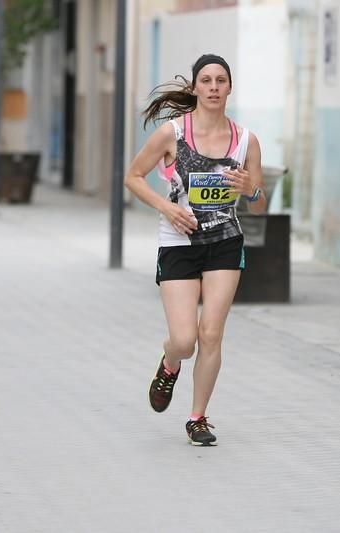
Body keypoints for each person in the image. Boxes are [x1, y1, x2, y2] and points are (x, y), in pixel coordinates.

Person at [124, 54, 267, 446]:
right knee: (185, 340)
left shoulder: (246, 140)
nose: (214, 87)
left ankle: (198, 417)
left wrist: (249, 190)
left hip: (224, 243)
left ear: (230, 88)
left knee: (212, 333)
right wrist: (167, 207)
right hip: (179, 245)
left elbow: (259, 201)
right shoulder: (172, 134)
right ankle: (170, 364)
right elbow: (133, 177)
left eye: (221, 80)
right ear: (195, 88)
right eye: (206, 80)